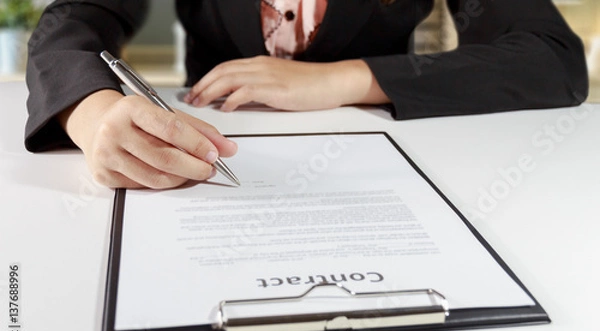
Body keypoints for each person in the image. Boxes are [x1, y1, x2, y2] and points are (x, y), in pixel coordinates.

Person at [25, 0, 588, 189]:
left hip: (392, 155)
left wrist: (346, 77)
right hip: (213, 140)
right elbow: (79, 17)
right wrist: (90, 112)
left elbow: (550, 57)